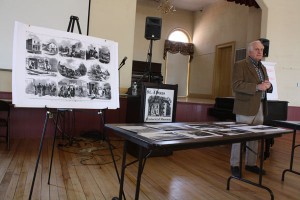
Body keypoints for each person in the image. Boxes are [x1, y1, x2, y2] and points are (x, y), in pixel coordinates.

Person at [230, 40, 273, 177]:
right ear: (250, 51)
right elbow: (236, 85)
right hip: (245, 107)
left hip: (260, 107)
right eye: (257, 49)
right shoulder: (240, 65)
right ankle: (235, 165)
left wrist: (269, 86)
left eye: (261, 49)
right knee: (238, 138)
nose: (260, 51)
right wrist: (257, 87)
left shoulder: (263, 68)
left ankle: (250, 164)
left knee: (255, 137)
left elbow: (264, 85)